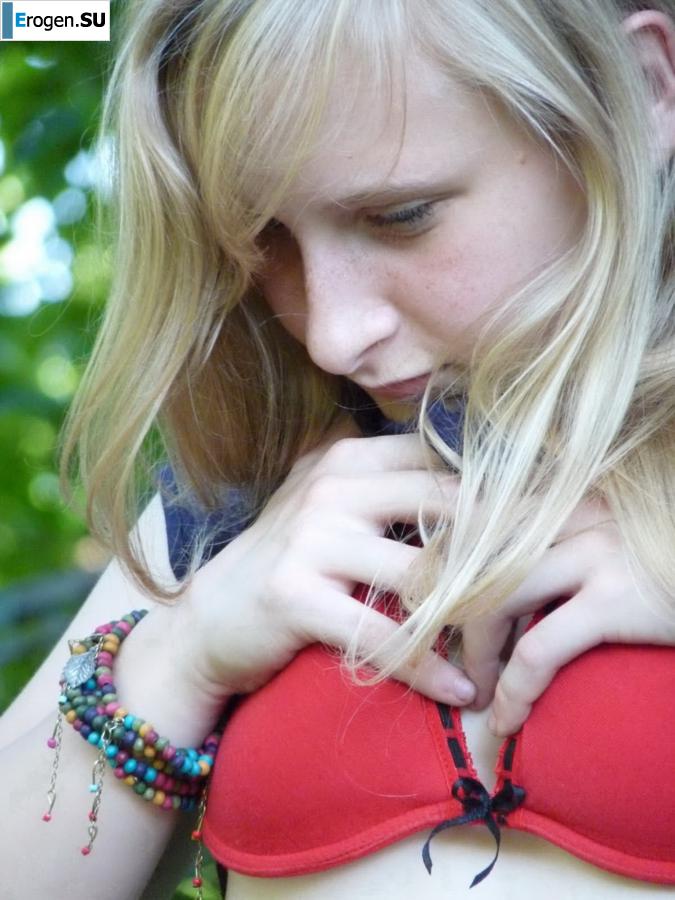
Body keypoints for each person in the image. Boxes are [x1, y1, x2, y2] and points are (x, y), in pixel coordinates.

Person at [1, 0, 674, 897]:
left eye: (400, 216)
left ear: (643, 90)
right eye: (264, 239)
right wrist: (182, 654)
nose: (331, 336)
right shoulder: (259, 486)